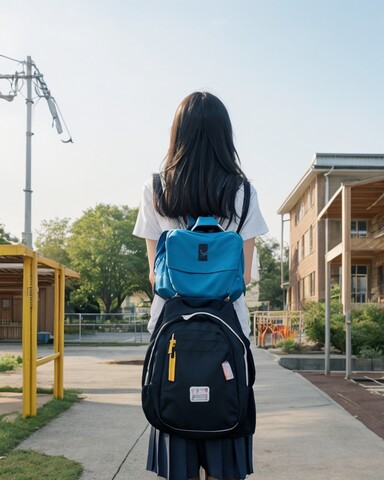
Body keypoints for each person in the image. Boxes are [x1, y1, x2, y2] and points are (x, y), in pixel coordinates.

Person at [133, 91, 268, 480]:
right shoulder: (243, 193)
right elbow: (242, 278)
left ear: (178, 134)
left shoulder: (156, 188)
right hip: (228, 331)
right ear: (225, 136)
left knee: (177, 443)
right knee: (225, 444)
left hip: (172, 330)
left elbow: (155, 276)